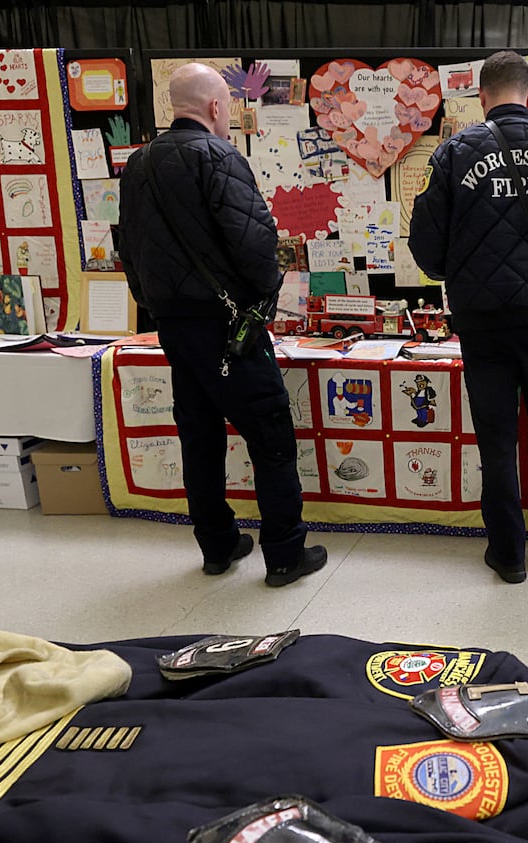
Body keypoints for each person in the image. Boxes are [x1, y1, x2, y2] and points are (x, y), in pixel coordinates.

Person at [119, 63, 326, 587]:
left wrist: (155, 304)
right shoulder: (218, 156)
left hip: (173, 325)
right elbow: (256, 244)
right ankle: (284, 554)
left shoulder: (138, 163)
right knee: (270, 432)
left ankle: (217, 546)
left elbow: (129, 248)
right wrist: (261, 305)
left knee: (199, 436)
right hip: (226, 327)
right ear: (215, 107)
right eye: (228, 106)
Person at [409, 50, 528, 585]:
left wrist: (461, 270)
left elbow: (427, 250)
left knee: (495, 438)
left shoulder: (453, 154)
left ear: (482, 97)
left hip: (482, 320)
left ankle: (508, 555)